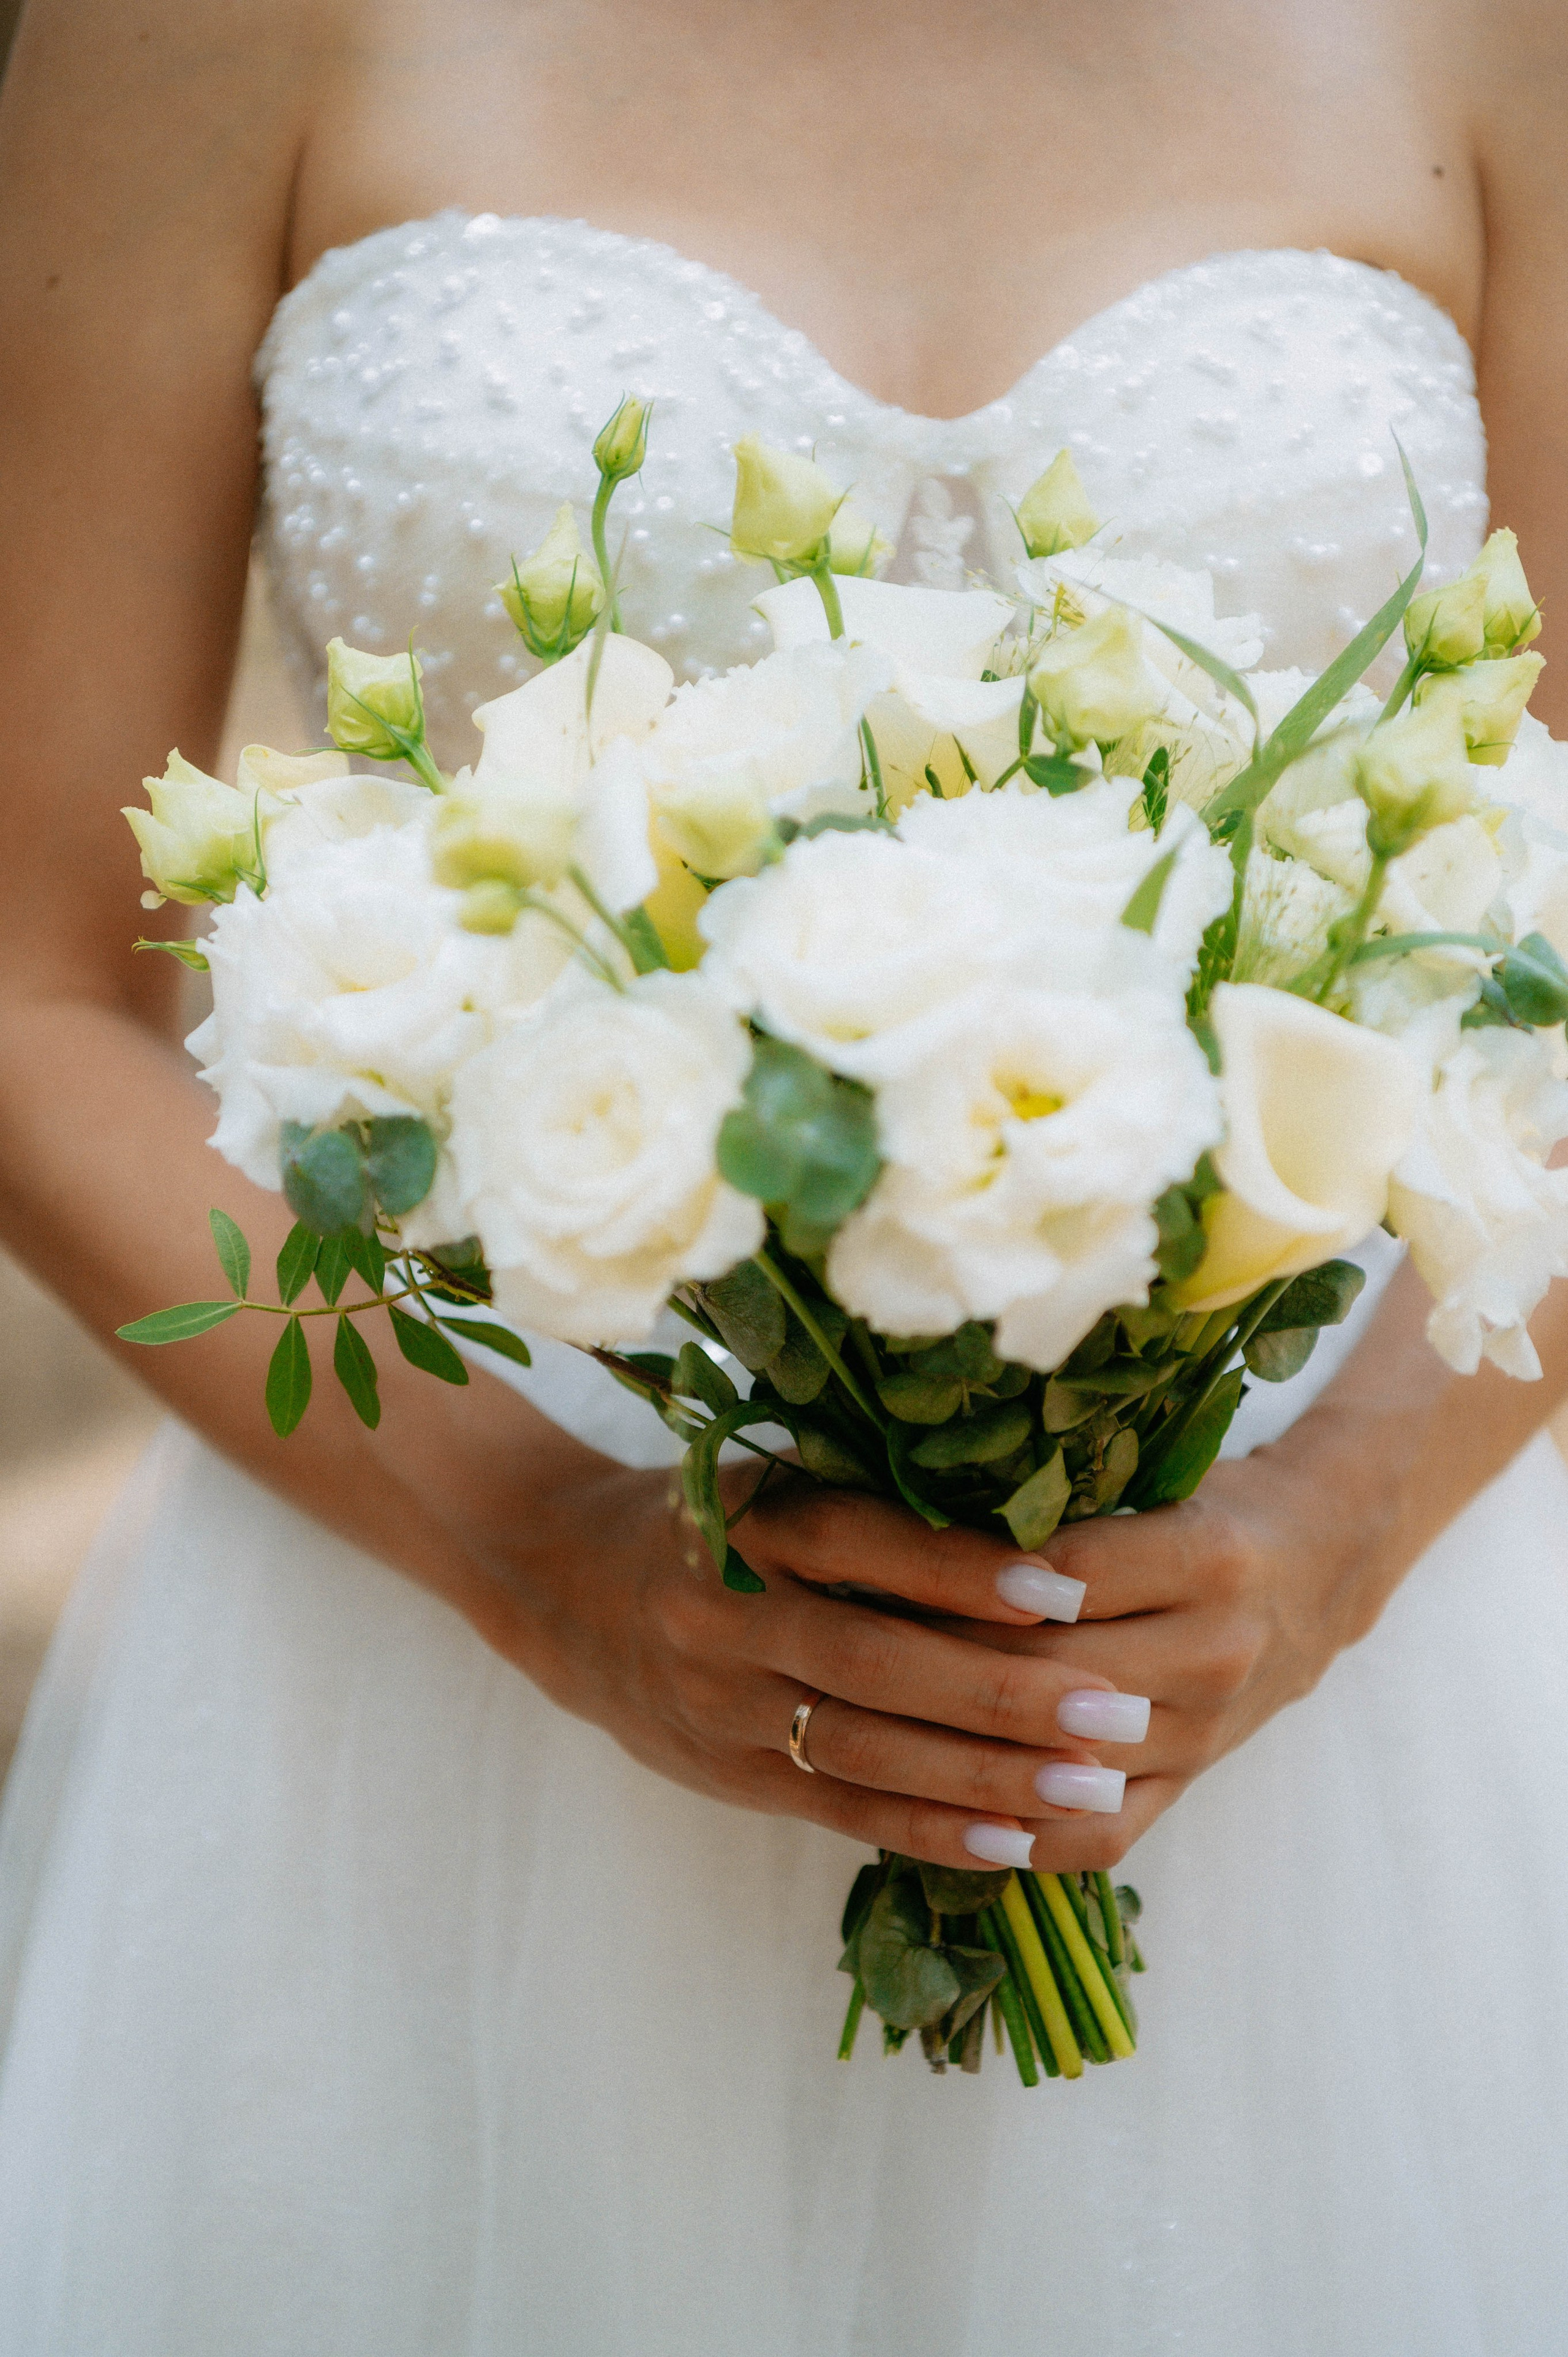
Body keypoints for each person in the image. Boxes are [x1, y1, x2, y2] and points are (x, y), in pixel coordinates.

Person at [0, 0, 1566, 2347]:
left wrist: (1325, 1538)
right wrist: (537, 1554)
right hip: (439, 1645)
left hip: (1298, 1671)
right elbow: (32, 986)